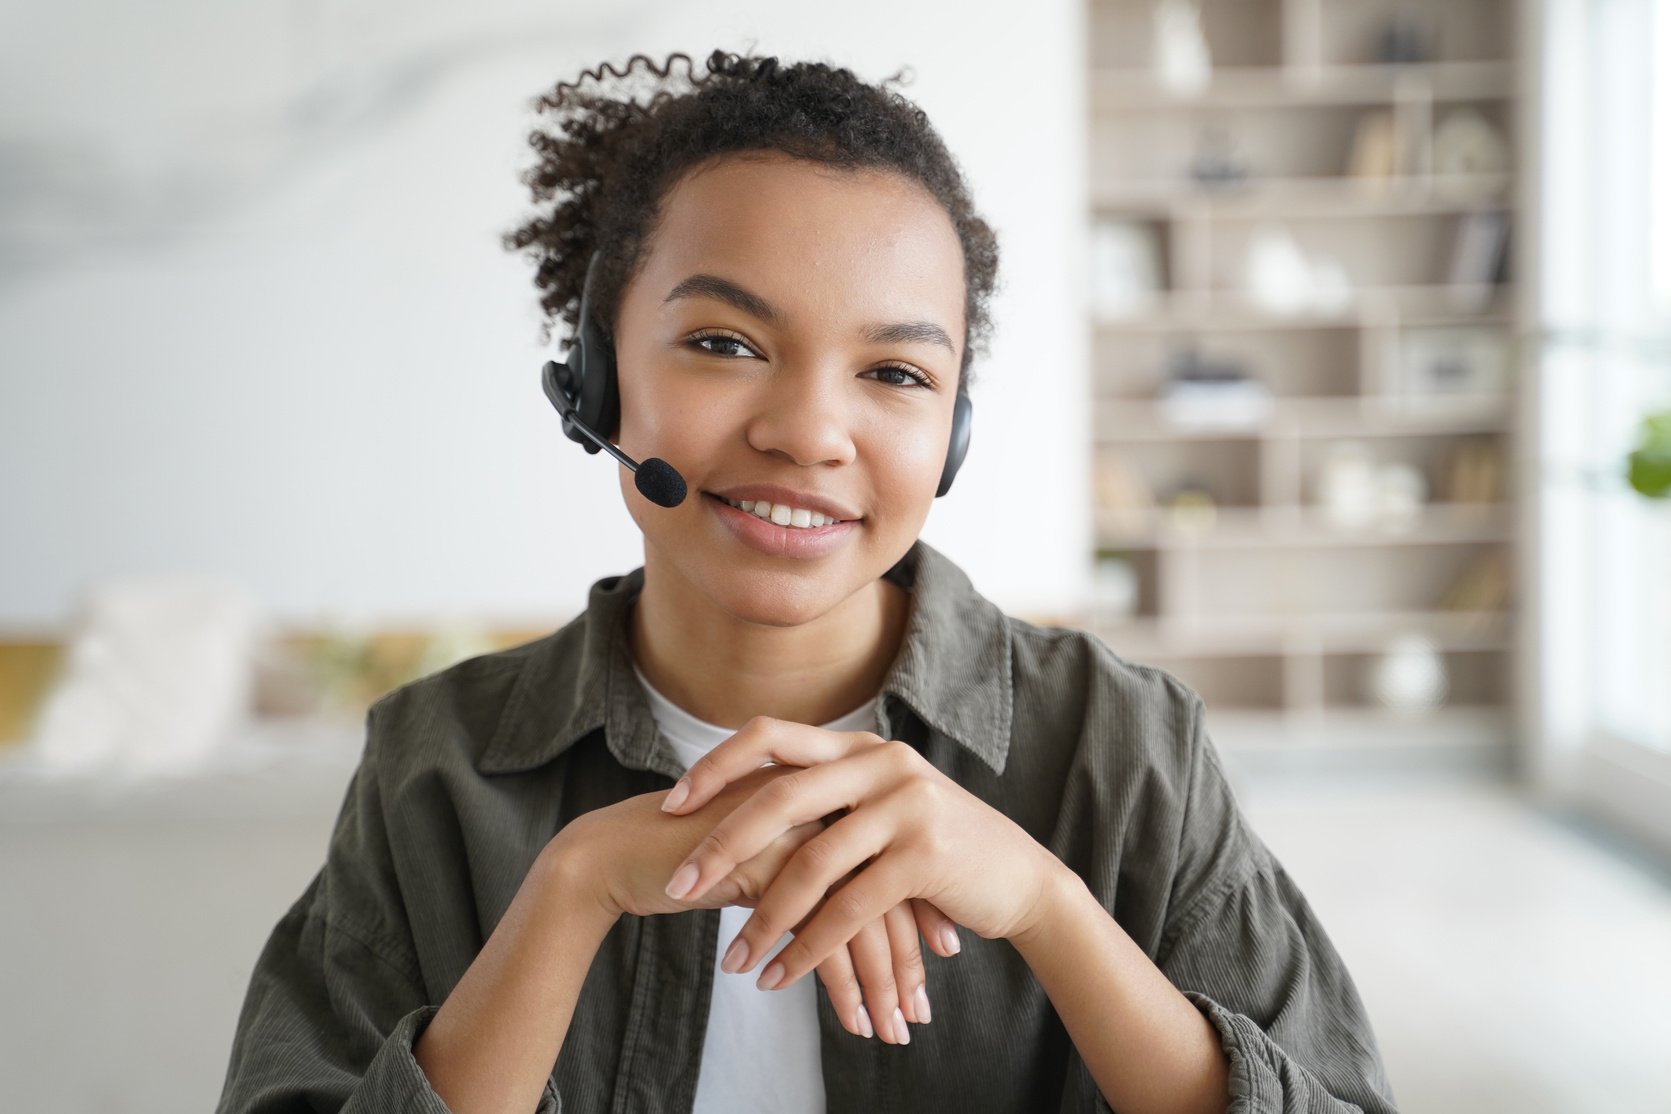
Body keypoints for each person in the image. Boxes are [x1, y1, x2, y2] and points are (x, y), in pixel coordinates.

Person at [215, 49, 1399, 1114]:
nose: (810, 433)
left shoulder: (1125, 747)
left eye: (893, 371)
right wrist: (568, 892)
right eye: (726, 344)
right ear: (594, 378)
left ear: (955, 433)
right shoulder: (435, 764)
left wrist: (1047, 905)